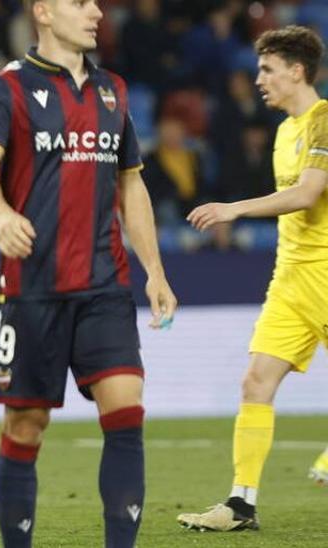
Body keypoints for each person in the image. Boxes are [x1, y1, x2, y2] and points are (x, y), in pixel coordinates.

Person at [0, 2, 177, 546]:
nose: (96, 12)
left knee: (126, 410)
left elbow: (131, 184)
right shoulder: (7, 87)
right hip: (32, 289)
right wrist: (2, 214)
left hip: (105, 284)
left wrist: (154, 270)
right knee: (26, 426)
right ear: (43, 11)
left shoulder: (114, 91)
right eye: (80, 2)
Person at [177, 26, 328, 533]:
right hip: (289, 278)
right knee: (255, 382)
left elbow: (307, 195)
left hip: (325, 272)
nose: (258, 79)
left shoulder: (324, 120)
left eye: (267, 69)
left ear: (296, 71)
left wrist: (233, 209)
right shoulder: (285, 131)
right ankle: (241, 505)